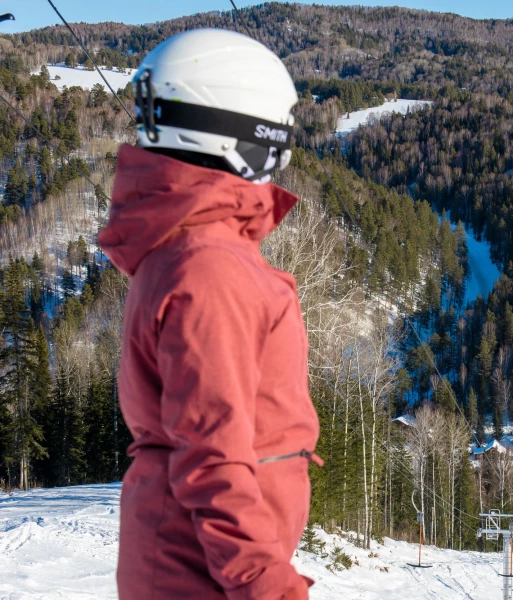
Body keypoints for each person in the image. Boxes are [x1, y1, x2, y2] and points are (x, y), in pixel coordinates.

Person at [100, 28, 319, 600]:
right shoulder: (209, 268)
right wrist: (269, 587)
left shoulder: (196, 248)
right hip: (202, 575)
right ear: (246, 136)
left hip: (198, 565)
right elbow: (212, 456)